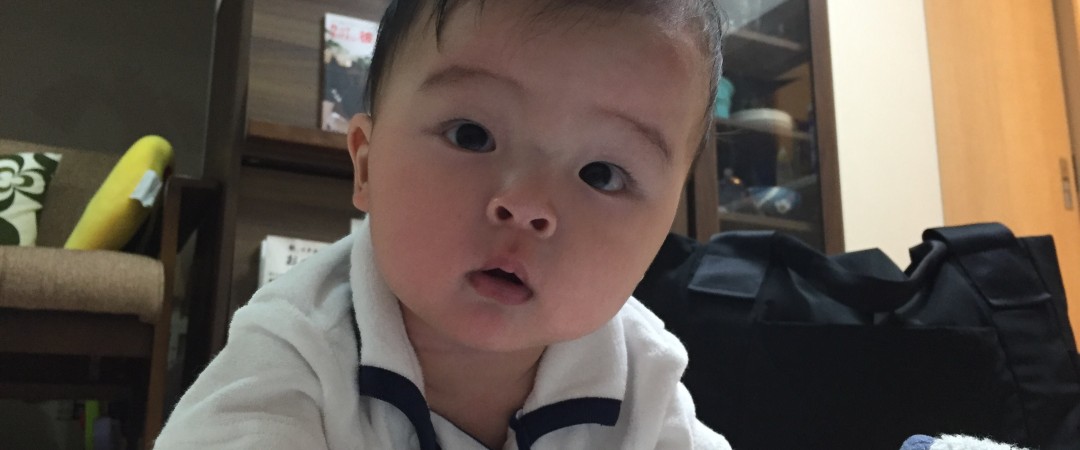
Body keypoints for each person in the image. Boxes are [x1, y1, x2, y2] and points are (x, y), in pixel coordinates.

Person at [155, 0, 731, 448]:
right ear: (366, 165)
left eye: (602, 174)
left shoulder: (643, 376)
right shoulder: (298, 348)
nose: (528, 205)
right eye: (471, 136)